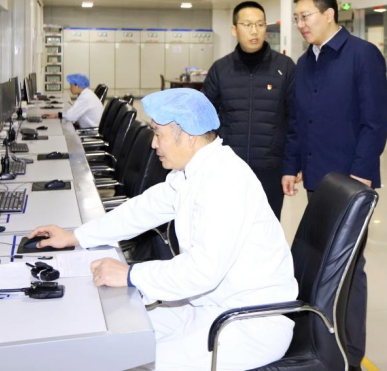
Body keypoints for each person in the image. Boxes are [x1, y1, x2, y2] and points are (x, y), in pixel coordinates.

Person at [27, 88, 298, 371]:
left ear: (189, 135)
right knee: (113, 339)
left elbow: (201, 271)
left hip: (246, 322)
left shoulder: (226, 181)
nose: (154, 144)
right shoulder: (192, 172)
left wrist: (130, 274)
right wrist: (75, 236)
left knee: (134, 362)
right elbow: (142, 210)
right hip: (204, 305)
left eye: (158, 134)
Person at [281, 0, 387, 371]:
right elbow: (299, 121)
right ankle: (323, 340)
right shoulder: (305, 61)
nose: (300, 24)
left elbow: (375, 122)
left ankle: (351, 354)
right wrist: (291, 165)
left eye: (306, 16)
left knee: (349, 267)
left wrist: (361, 175)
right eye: (296, 18)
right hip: (317, 180)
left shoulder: (362, 55)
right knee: (324, 263)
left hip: (350, 183)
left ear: (329, 14)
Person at [203, 0, 296, 219]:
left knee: (267, 228)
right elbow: (204, 119)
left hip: (271, 169)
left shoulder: (285, 67)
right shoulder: (221, 69)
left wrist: (291, 167)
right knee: (228, 226)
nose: (254, 31)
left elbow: (295, 120)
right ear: (234, 29)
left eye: (260, 24)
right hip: (229, 168)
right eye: (247, 25)